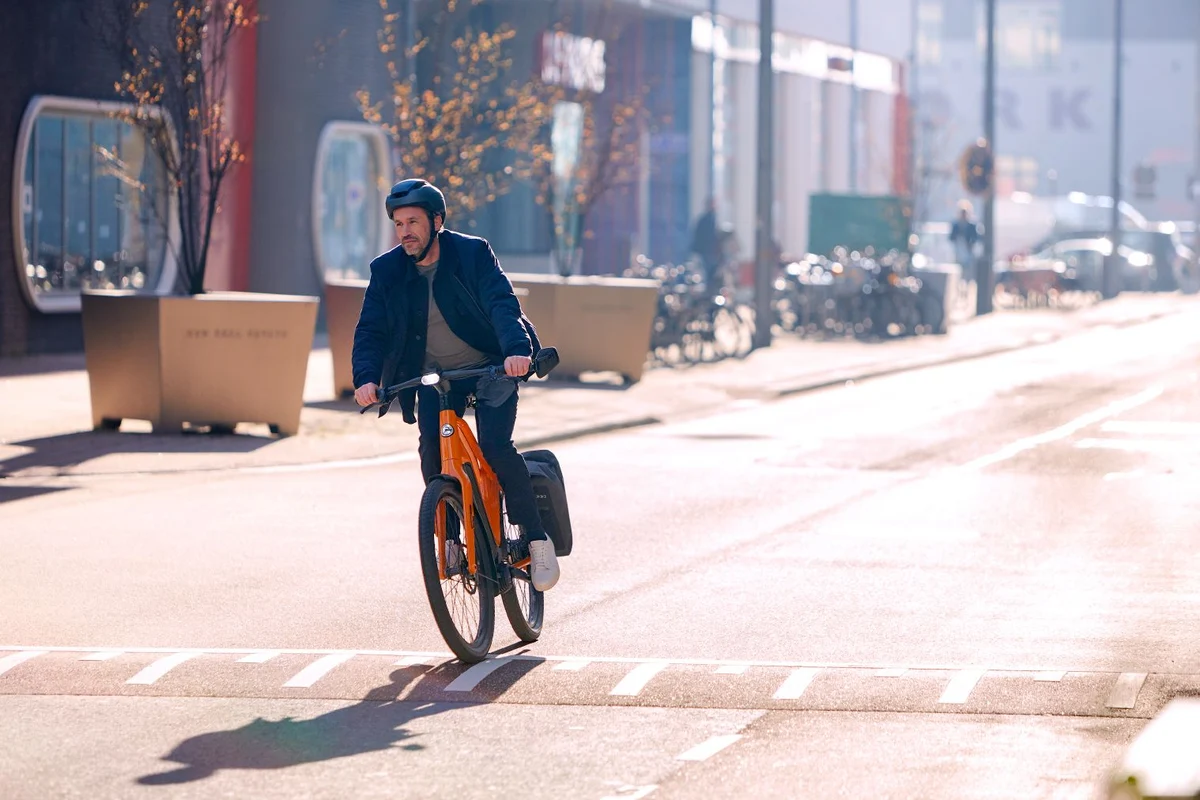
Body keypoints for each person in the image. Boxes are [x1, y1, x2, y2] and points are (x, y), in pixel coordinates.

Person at [351, 179, 560, 592]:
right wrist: (366, 379)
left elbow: (503, 304)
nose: (405, 231)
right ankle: (449, 539)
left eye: (413, 221)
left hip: (489, 369)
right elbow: (370, 330)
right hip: (436, 378)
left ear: (437, 220)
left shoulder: (472, 253)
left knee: (496, 448)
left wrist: (516, 352)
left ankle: (536, 539)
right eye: (398, 223)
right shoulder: (386, 271)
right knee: (432, 449)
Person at [690, 196, 721, 287]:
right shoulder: (705, 220)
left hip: (711, 252)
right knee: (708, 273)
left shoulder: (712, 219)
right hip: (707, 252)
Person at [949, 200, 981, 277]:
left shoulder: (972, 226)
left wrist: (970, 243)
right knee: (958, 268)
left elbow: (976, 238)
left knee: (968, 269)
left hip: (968, 250)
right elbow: (951, 237)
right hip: (958, 250)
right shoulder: (955, 225)